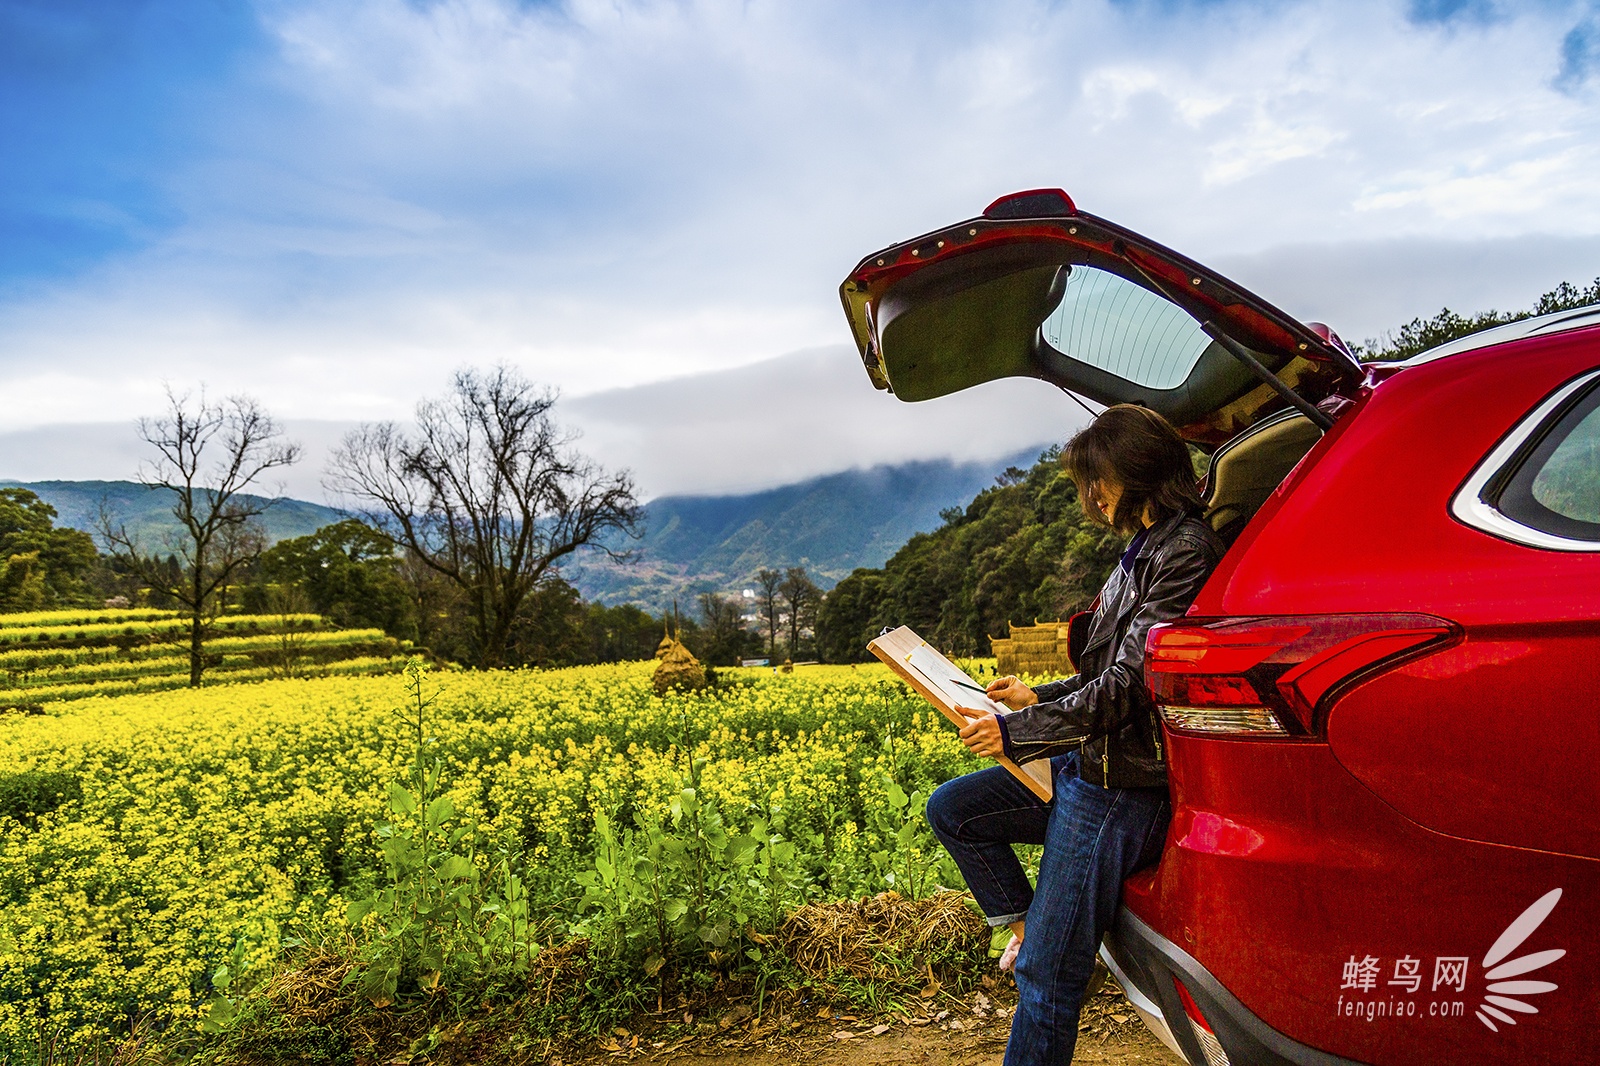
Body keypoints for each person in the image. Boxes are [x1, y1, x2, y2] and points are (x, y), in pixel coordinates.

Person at [925, 404, 1225, 1066]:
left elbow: (1129, 687)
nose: (1092, 496)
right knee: (953, 810)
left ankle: (1050, 949)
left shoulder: (1185, 552)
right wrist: (1037, 696)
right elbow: (1105, 673)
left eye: (1099, 479)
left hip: (1119, 791)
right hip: (1090, 767)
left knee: (1045, 982)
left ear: (1136, 469)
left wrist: (1017, 731)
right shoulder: (1141, 550)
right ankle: (1033, 926)